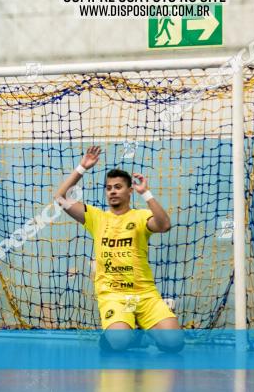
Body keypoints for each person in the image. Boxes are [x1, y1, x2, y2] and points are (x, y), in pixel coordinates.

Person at [54, 145, 184, 353]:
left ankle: (140, 326)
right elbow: (60, 198)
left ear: (130, 191)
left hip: (144, 293)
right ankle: (124, 335)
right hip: (113, 294)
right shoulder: (96, 217)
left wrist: (147, 194)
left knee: (174, 344)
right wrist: (82, 167)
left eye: (118, 187)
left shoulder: (141, 216)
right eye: (109, 188)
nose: (112, 191)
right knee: (119, 342)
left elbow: (164, 225)